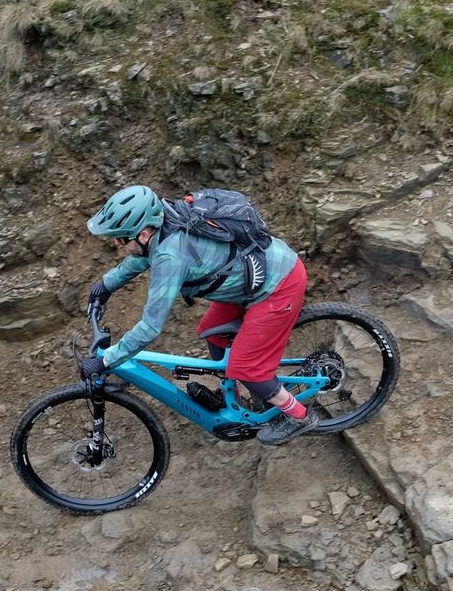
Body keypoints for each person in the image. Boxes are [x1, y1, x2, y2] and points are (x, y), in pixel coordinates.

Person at [81, 184, 320, 446]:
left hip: (279, 285)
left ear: (145, 233)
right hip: (253, 276)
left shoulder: (170, 258)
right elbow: (142, 256)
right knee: (212, 332)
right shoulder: (163, 223)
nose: (118, 244)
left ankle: (299, 416)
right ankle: (234, 397)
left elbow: (150, 326)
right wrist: (106, 285)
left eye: (122, 239)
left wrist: (107, 360)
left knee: (248, 368)